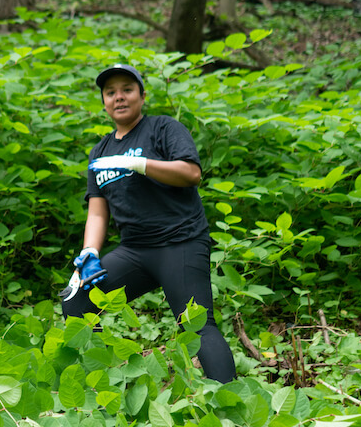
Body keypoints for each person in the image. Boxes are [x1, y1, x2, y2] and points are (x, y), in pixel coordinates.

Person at [62, 63, 235, 383]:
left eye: (127, 90)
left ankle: (231, 399)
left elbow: (191, 174)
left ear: (142, 96)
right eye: (110, 92)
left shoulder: (163, 129)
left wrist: (138, 163)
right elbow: (98, 212)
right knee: (76, 296)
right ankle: (98, 381)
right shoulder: (99, 152)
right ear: (103, 101)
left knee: (196, 324)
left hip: (180, 243)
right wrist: (89, 252)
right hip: (135, 251)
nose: (119, 97)